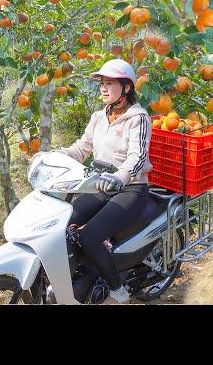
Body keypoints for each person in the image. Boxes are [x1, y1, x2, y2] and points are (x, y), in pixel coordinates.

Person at [58, 58, 153, 305]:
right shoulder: (99, 117)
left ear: (126, 88)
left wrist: (120, 177)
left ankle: (118, 290)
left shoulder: (139, 118)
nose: (103, 88)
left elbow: (138, 156)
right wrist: (57, 155)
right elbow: (82, 148)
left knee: (89, 236)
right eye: (102, 82)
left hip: (131, 189)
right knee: (63, 224)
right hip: (101, 186)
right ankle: (81, 277)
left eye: (110, 83)